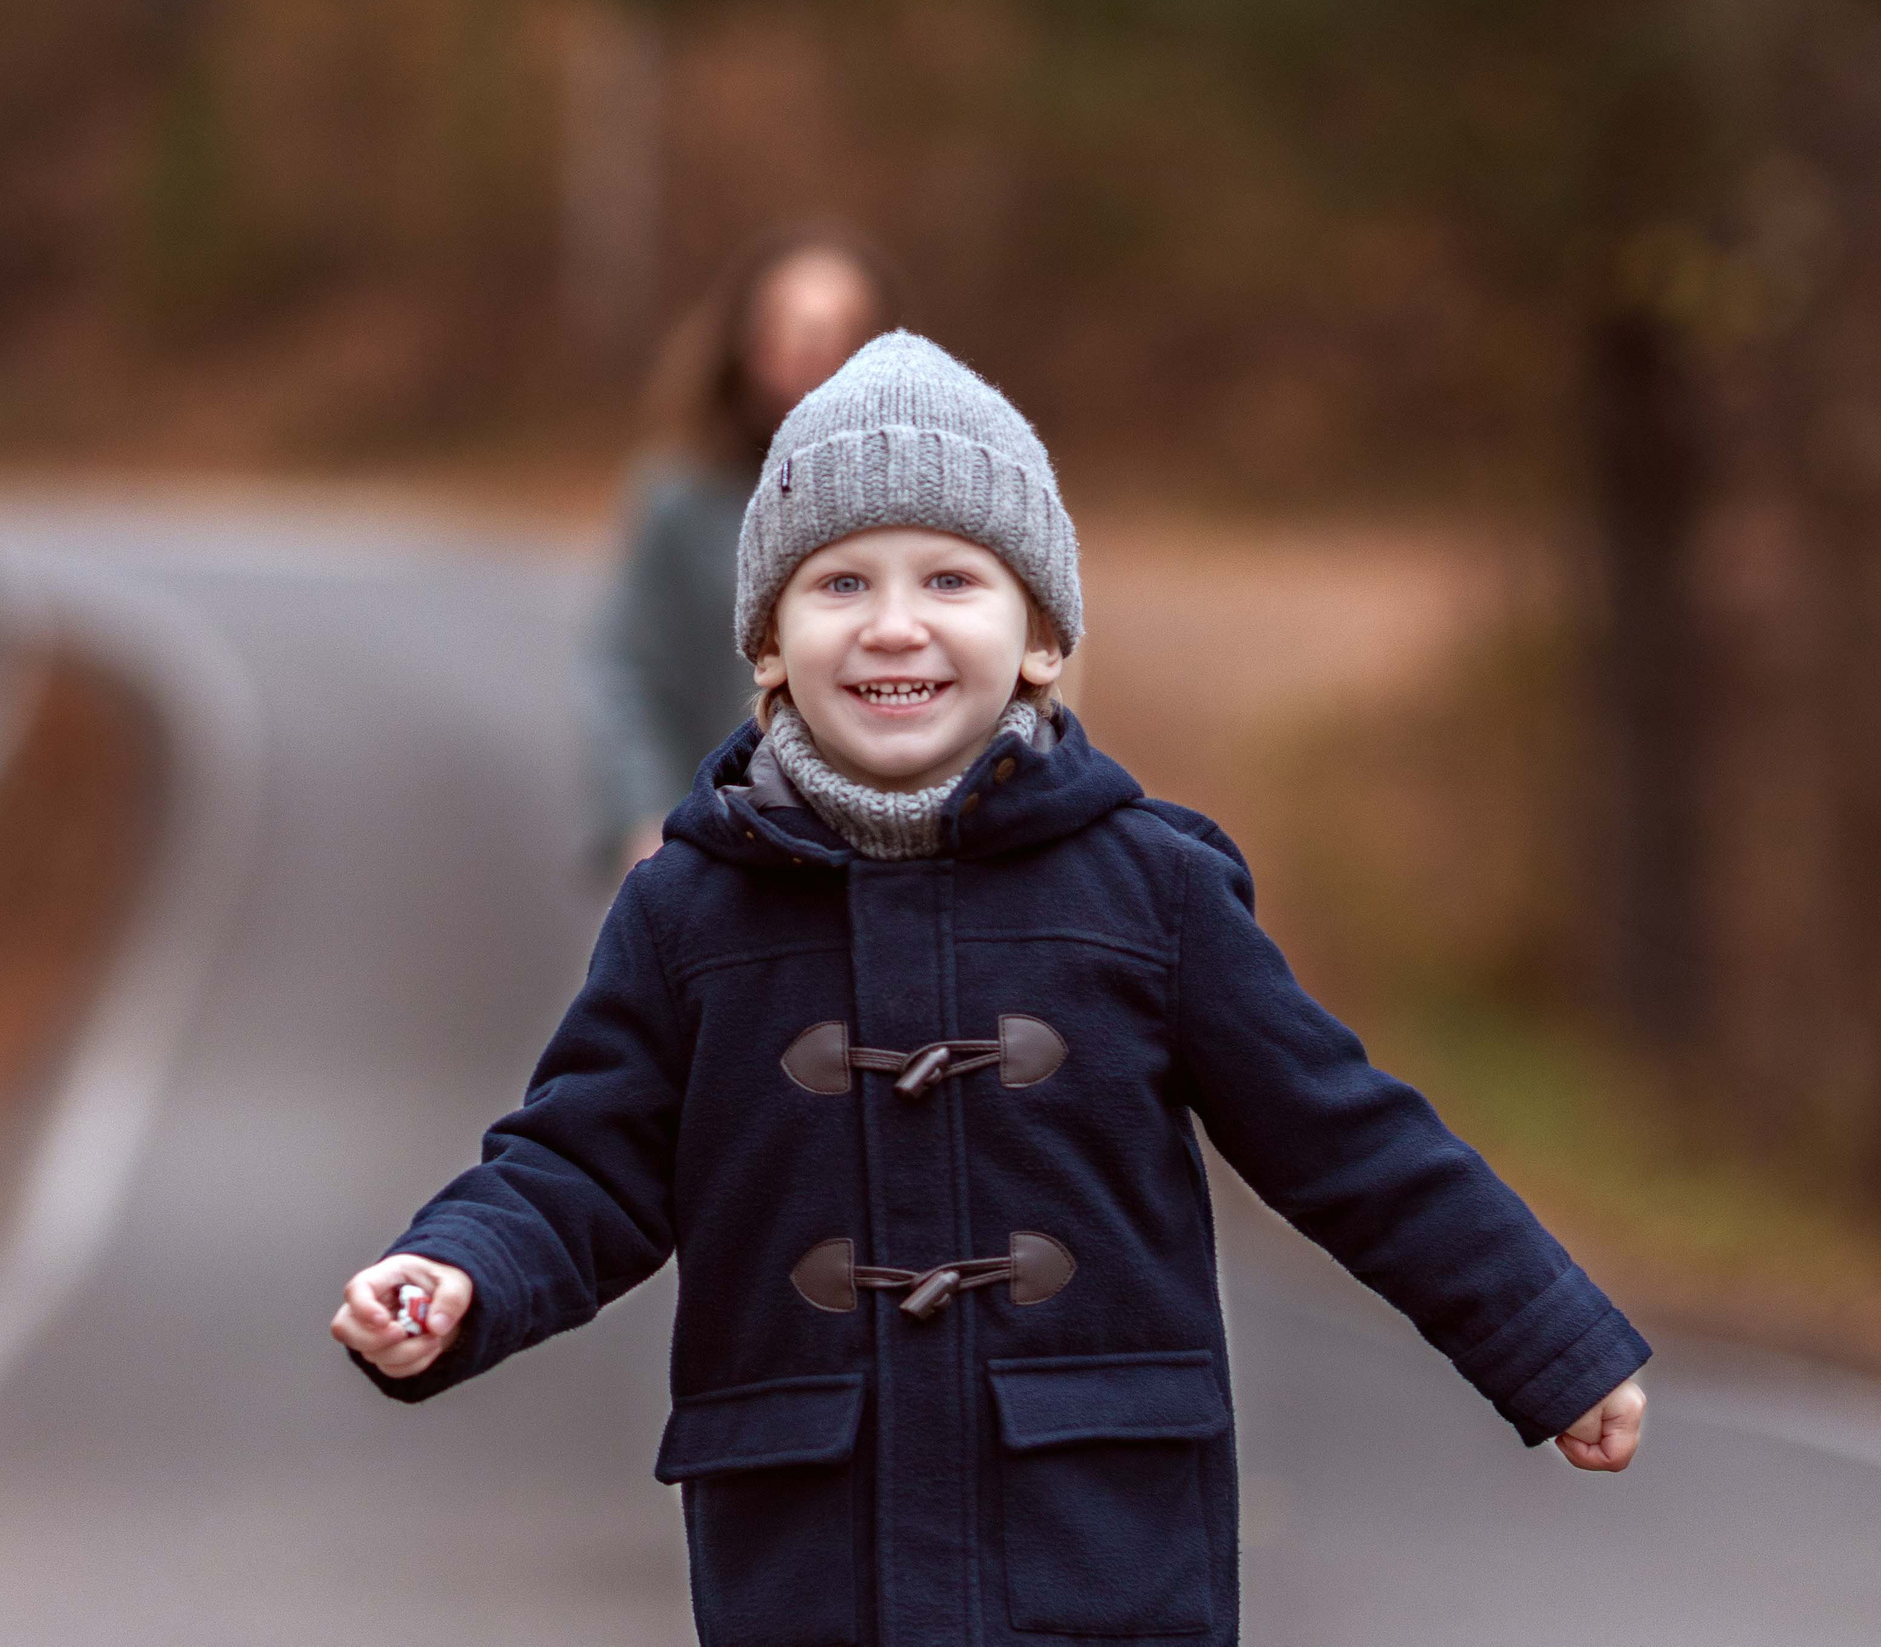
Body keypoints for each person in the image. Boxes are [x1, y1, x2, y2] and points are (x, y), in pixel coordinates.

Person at [333, 332, 1648, 1647]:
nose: (894, 620)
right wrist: (459, 1267)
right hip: (808, 1553)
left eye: (951, 576)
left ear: (1041, 637)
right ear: (770, 647)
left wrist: (1547, 1338)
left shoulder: (1153, 890)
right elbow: (584, 1157)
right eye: (839, 580)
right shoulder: (688, 907)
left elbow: (1348, 1138)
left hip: (1097, 1540)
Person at [580, 226, 898, 878]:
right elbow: (630, 675)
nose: (813, 347)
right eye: (792, 323)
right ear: (748, 342)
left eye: (838, 327)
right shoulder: (682, 502)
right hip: (721, 857)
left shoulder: (929, 506)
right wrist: (646, 822)